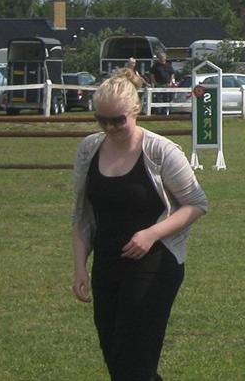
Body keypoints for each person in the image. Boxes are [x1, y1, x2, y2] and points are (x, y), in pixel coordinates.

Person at [72, 68, 208, 380]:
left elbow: (197, 204)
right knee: (118, 359)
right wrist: (80, 267)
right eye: (101, 120)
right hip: (107, 264)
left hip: (155, 263)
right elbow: (81, 214)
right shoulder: (88, 150)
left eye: (118, 120)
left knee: (134, 362)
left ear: (136, 111)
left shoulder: (161, 151)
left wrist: (151, 234)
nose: (110, 127)